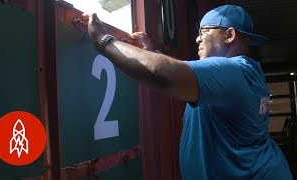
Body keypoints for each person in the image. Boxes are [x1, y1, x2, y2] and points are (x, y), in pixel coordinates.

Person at [82, 5, 293, 179]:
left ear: (229, 35)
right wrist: (152, 53)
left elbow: (163, 73)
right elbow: (188, 75)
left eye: (204, 31)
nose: (197, 39)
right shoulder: (246, 72)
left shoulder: (235, 72)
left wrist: (104, 40)